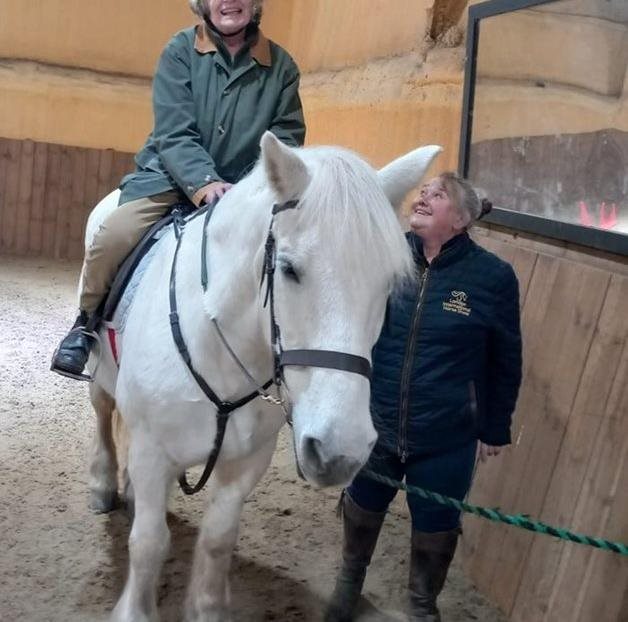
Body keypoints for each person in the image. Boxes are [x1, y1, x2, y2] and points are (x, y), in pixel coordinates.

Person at [51, 0, 305, 380]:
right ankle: (84, 325)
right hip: (170, 179)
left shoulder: (282, 67)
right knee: (112, 237)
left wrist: (252, 186)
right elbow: (174, 132)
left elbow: (286, 137)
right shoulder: (180, 51)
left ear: (255, 4)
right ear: (203, 3)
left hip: (242, 190)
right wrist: (205, 183)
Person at [325, 172, 522, 622]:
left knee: (436, 526)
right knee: (362, 506)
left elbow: (505, 359)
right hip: (379, 422)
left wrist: (495, 425)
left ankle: (421, 605)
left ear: (462, 219)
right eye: (424, 191)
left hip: (447, 434)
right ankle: (348, 582)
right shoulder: (386, 258)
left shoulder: (493, 277)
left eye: (439, 194)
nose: (424, 197)